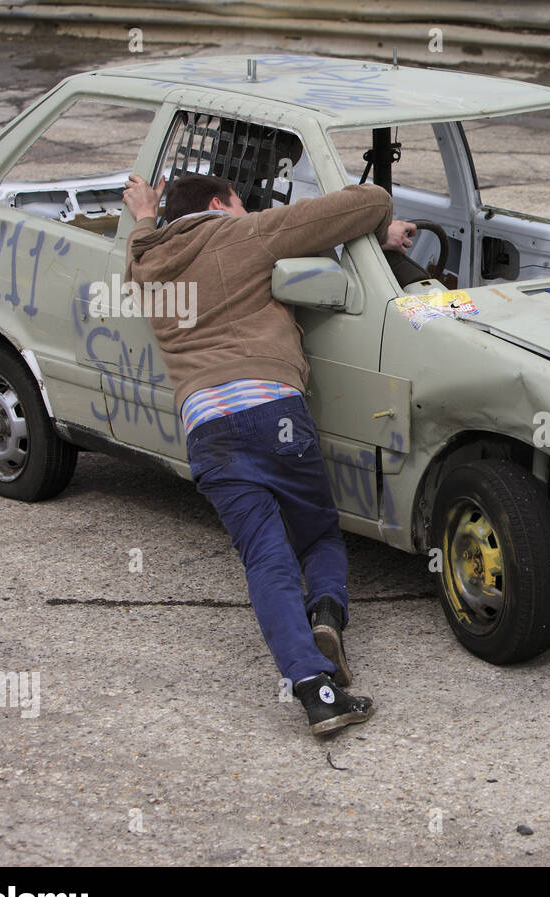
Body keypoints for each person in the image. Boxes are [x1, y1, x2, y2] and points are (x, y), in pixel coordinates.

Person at [122, 171, 415, 736]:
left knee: (265, 557)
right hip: (271, 411)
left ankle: (316, 692)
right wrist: (379, 230)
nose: (246, 209)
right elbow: (365, 201)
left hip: (206, 428)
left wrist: (143, 214)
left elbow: (136, 251)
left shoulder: (145, 263)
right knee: (318, 535)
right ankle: (325, 612)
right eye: (240, 202)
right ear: (218, 204)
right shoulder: (244, 234)